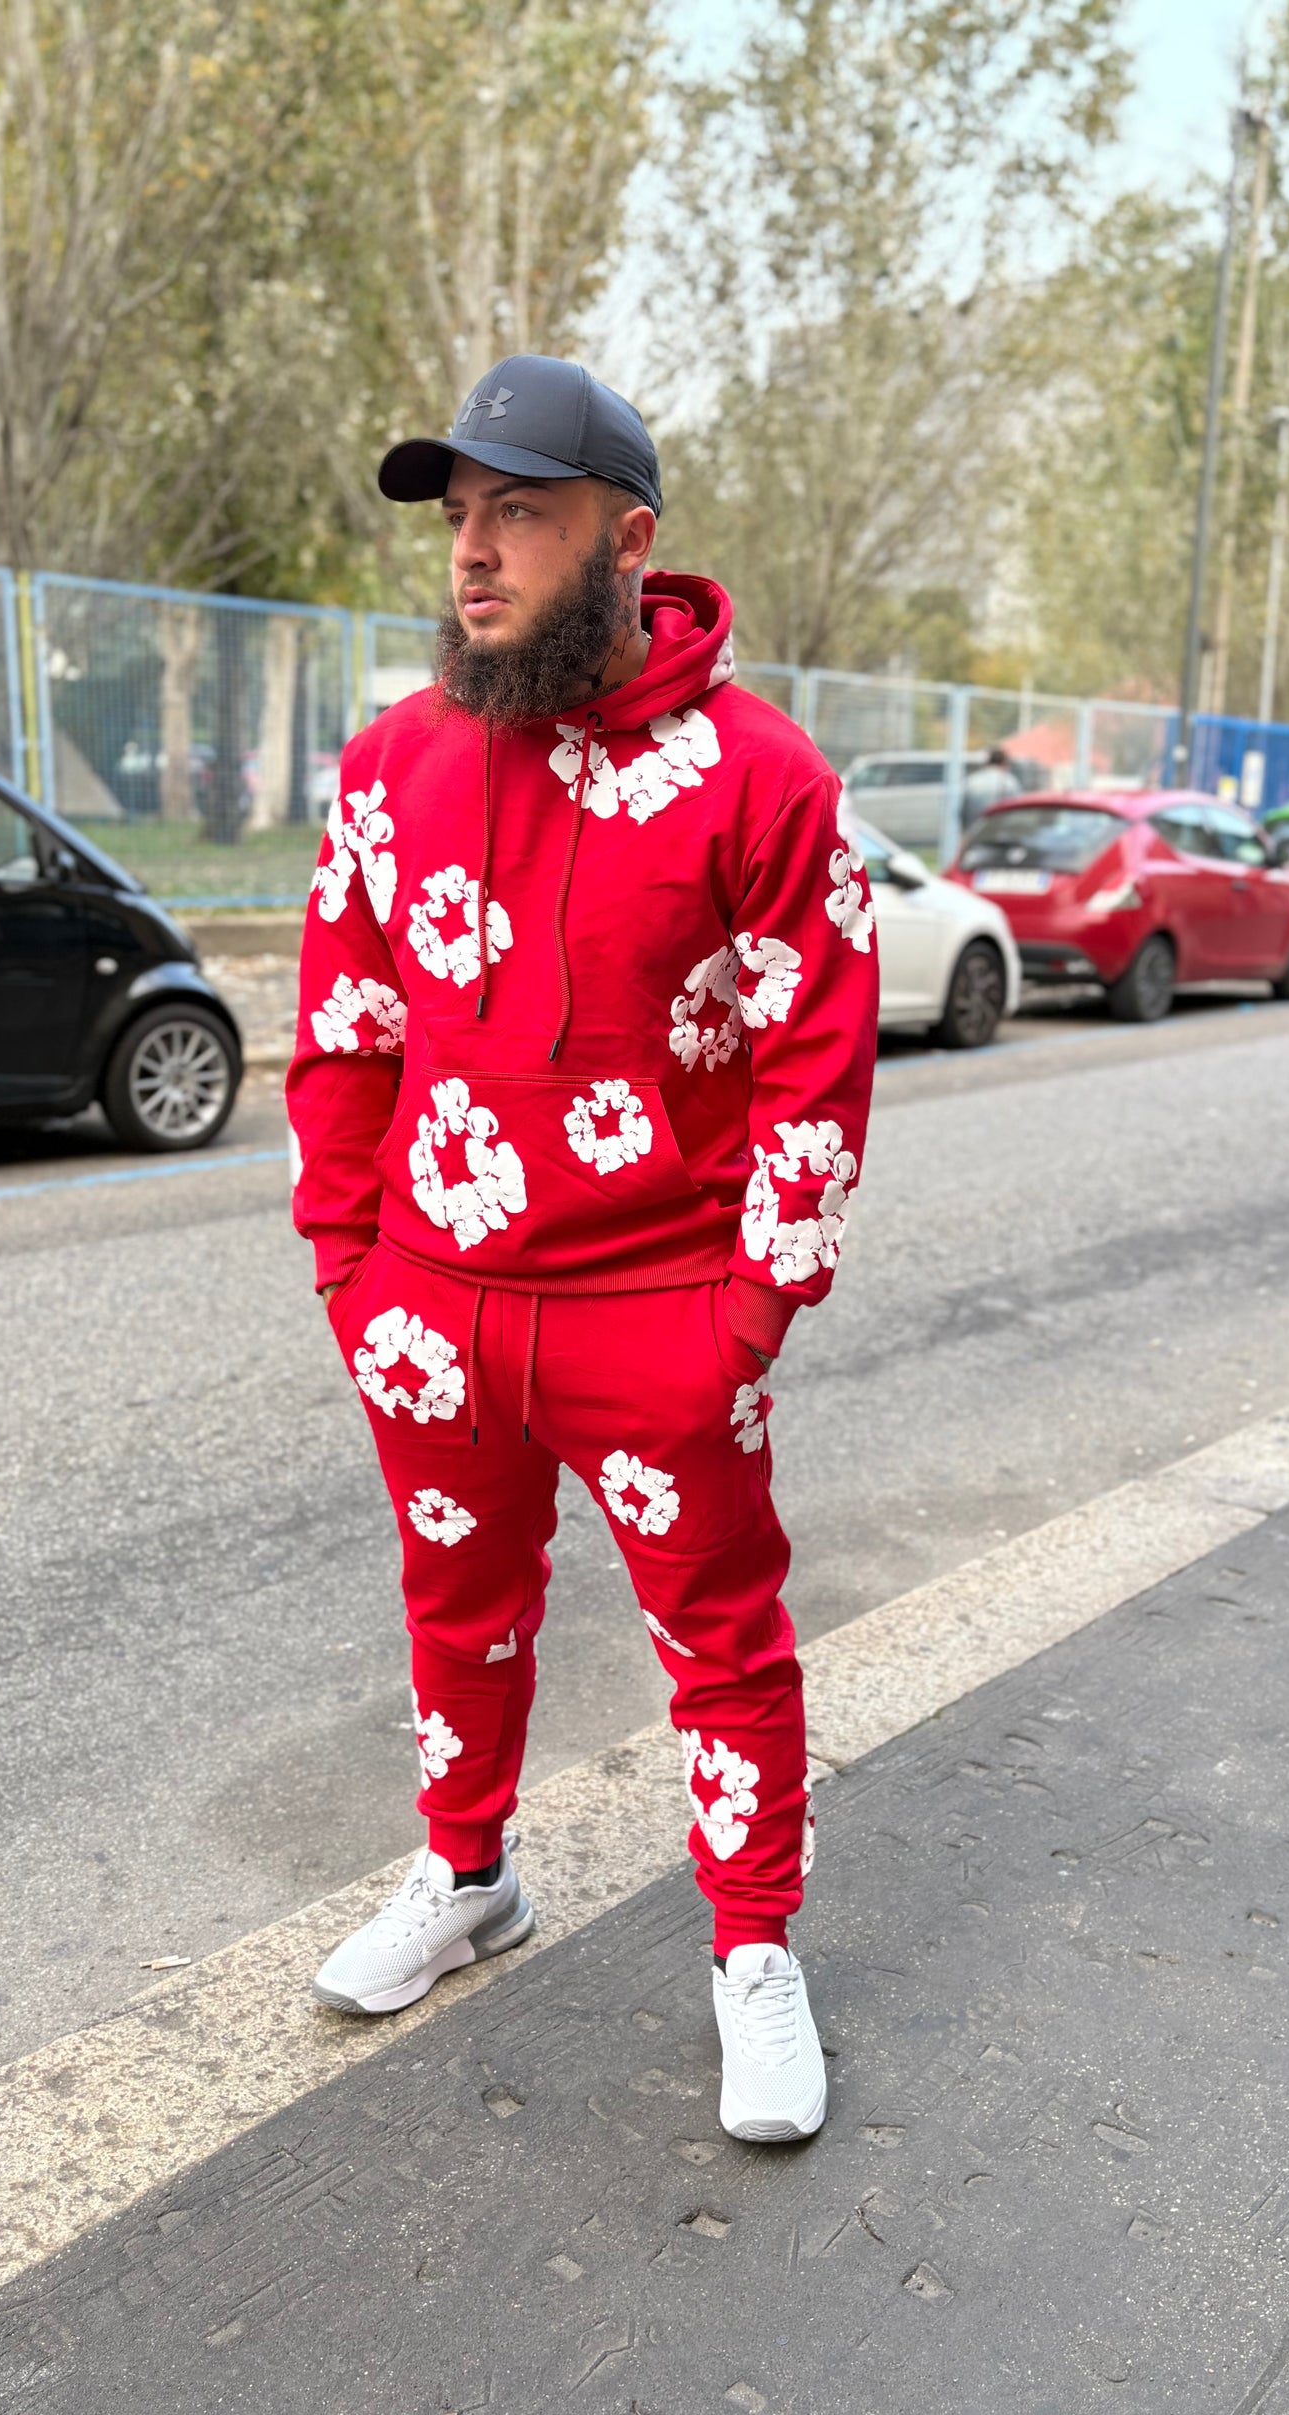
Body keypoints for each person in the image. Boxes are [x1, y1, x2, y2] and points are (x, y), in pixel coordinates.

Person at [286, 354, 878, 2141]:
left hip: (659, 1310)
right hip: (432, 1307)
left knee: (722, 1642)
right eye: (460, 518)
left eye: (519, 516)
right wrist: (350, 1267)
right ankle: (467, 1877)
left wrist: (751, 1310)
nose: (473, 554)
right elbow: (344, 1031)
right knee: (454, 1613)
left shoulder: (759, 778)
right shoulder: (391, 765)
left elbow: (817, 1056)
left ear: (626, 541)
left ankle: (752, 1951)